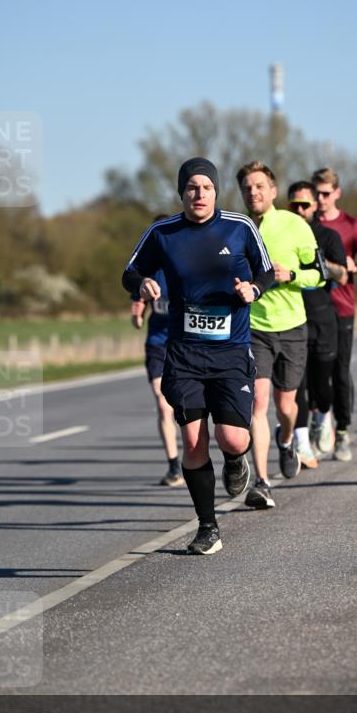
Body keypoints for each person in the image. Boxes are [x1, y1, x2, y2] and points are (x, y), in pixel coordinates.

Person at [122, 157, 274, 554]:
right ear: (181, 192)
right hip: (184, 353)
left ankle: (236, 459)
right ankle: (208, 527)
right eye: (192, 187)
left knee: (232, 438)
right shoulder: (163, 232)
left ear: (216, 191)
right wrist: (142, 285)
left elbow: (267, 272)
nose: (199, 194)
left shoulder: (239, 227)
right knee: (192, 440)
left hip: (231, 350)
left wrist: (254, 290)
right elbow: (129, 272)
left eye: (206, 187)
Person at [236, 161, 322, 510]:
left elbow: (319, 275)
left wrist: (292, 276)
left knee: (286, 407)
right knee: (258, 403)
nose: (253, 192)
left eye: (259, 186)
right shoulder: (235, 228)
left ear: (273, 191)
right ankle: (262, 482)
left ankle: (285, 440)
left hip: (291, 325)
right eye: (247, 188)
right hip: (253, 327)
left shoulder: (294, 224)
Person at [314, 167, 357, 462]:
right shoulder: (305, 224)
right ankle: (317, 422)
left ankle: (342, 432)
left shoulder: (352, 225)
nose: (320, 199)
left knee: (339, 372)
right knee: (312, 374)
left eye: (326, 194)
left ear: (337, 193)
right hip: (310, 309)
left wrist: (356, 267)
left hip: (342, 308)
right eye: (316, 193)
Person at [286, 181, 348, 466]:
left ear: (314, 205)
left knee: (322, 386)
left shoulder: (328, 235)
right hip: (291, 318)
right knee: (296, 385)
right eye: (294, 204)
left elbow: (343, 276)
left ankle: (323, 417)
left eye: (304, 204)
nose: (300, 210)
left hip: (323, 318)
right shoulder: (283, 236)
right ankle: (301, 444)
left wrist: (319, 262)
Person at [130, 231, 184, 485]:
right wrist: (137, 314)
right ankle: (174, 466)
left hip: (186, 344)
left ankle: (195, 456)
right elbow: (137, 306)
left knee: (191, 406)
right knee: (164, 405)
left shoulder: (186, 267)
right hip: (158, 344)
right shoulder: (148, 273)